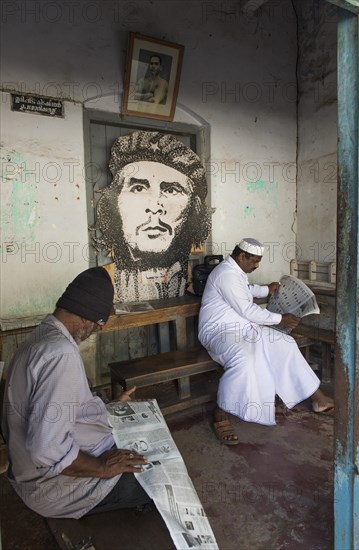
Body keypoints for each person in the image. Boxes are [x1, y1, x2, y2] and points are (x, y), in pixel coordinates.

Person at [1, 267, 152, 518]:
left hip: (28, 472)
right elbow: (46, 450)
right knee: (154, 476)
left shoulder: (40, 336)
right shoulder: (61, 354)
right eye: (98, 327)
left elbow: (55, 408)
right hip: (53, 488)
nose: (93, 333)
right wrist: (103, 467)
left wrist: (108, 408)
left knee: (141, 442)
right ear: (91, 321)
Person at [198, 238, 334, 445]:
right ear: (242, 256)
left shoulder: (235, 272)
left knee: (285, 344)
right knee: (244, 360)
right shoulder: (225, 274)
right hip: (219, 332)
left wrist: (267, 289)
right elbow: (247, 310)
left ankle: (318, 399)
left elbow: (246, 290)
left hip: (243, 328)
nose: (257, 265)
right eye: (255, 261)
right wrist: (281, 318)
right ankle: (221, 415)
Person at [95, 131, 212, 302]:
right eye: (139, 188)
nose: (154, 207)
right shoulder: (100, 281)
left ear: (193, 208)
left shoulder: (189, 276)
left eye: (171, 190)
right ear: (114, 202)